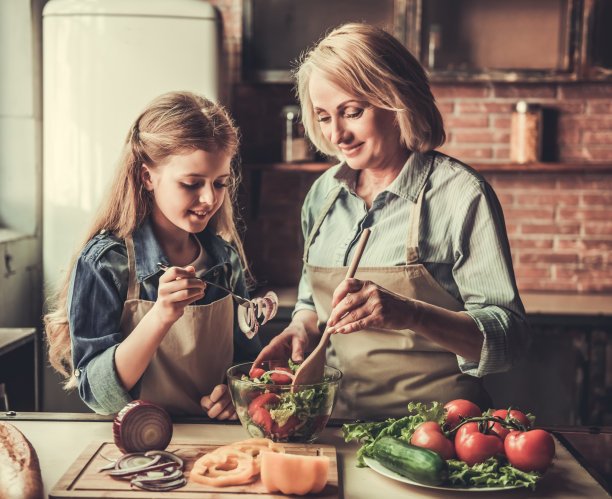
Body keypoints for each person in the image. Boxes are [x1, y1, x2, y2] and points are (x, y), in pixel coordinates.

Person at [253, 23, 530, 419]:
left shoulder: (460, 195)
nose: (338, 135)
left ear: (398, 100)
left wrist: (410, 313)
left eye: (352, 112)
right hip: (337, 425)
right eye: (324, 117)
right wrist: (301, 326)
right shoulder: (322, 195)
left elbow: (511, 338)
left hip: (439, 433)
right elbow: (310, 302)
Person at [44, 91, 261, 417]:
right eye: (191, 183)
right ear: (148, 177)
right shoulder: (105, 263)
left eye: (220, 184)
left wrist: (239, 391)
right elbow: (98, 396)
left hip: (218, 444)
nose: (208, 199)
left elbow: (248, 365)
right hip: (137, 446)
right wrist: (160, 316)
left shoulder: (225, 260)